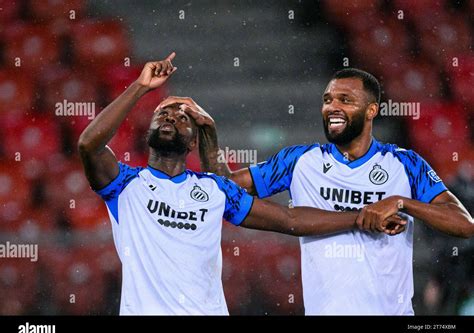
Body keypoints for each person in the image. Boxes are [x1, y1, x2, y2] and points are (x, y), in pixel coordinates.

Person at [77, 55, 405, 315]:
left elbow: (289, 220)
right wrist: (140, 87)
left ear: (193, 141)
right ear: (147, 132)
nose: (170, 119)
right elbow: (88, 145)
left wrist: (363, 215)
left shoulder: (215, 190)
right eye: (162, 115)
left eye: (181, 119)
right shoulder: (126, 184)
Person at [162, 68, 474, 315]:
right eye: (327, 100)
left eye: (345, 100)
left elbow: (463, 224)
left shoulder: (404, 164)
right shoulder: (299, 160)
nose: (332, 107)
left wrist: (402, 202)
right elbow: (225, 188)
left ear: (371, 110)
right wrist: (209, 134)